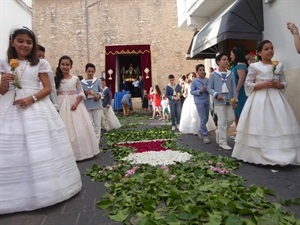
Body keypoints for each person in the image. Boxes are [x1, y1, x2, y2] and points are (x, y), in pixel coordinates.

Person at [0, 26, 82, 214]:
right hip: (9, 105)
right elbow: (2, 91)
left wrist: (31, 99)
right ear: (12, 42)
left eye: (29, 42)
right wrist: (2, 83)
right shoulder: (4, 63)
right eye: (20, 41)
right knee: (12, 148)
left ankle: (46, 189)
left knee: (40, 147)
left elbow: (46, 88)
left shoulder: (39, 64)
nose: (25, 45)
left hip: (35, 106)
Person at [232, 40, 300, 166]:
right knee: (261, 122)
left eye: (271, 48)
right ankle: (258, 153)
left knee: (278, 122)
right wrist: (261, 84)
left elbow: (284, 82)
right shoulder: (254, 66)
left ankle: (282, 152)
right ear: (259, 53)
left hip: (276, 99)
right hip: (259, 100)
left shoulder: (278, 65)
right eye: (266, 49)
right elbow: (248, 84)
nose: (270, 51)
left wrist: (279, 84)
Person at [55, 55, 99, 160]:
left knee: (79, 128)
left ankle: (81, 152)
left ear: (71, 66)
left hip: (75, 105)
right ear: (60, 65)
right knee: (63, 128)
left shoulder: (75, 79)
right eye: (63, 64)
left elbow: (80, 93)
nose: (65, 67)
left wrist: (76, 103)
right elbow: (54, 94)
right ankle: (65, 154)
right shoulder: (56, 79)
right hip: (61, 105)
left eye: (67, 65)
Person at [207, 53, 238, 150]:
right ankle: (223, 142)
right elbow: (209, 88)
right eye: (224, 59)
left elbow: (234, 87)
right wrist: (216, 94)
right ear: (218, 62)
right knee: (222, 121)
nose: (226, 61)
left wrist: (235, 99)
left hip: (229, 101)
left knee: (231, 118)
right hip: (219, 101)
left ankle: (219, 132)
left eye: (227, 59)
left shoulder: (231, 74)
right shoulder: (213, 75)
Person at [190, 67, 216, 143]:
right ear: (197, 72)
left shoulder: (207, 80)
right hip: (199, 101)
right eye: (200, 70)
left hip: (206, 100)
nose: (202, 71)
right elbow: (192, 92)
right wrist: (199, 91)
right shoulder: (194, 81)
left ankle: (200, 130)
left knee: (207, 117)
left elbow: (211, 88)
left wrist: (209, 90)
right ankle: (205, 135)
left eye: (203, 70)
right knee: (203, 118)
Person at [81, 63, 103, 145]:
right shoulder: (82, 82)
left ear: (94, 72)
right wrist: (85, 93)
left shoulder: (97, 81)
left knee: (97, 124)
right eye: (89, 71)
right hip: (87, 105)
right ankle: (90, 142)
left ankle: (96, 142)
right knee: (89, 124)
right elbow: (80, 93)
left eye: (92, 71)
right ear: (86, 71)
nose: (90, 73)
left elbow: (101, 91)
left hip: (97, 104)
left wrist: (98, 95)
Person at [230, 47, 248, 128]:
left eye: (231, 55)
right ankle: (238, 132)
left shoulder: (241, 65)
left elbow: (241, 78)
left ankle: (241, 132)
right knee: (236, 113)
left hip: (241, 93)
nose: (230, 56)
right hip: (236, 92)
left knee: (240, 112)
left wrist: (237, 91)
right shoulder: (236, 65)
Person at [37, 44, 59, 111]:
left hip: (44, 100)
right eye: (38, 56)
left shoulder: (45, 67)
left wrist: (55, 104)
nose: (41, 59)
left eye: (43, 57)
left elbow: (52, 86)